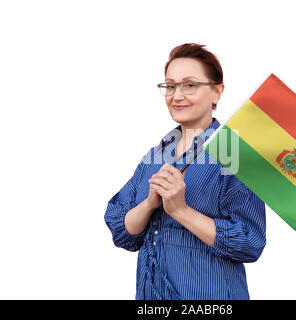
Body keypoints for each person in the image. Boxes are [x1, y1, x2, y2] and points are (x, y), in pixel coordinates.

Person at [104, 43, 266, 300]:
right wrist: (148, 204)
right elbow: (122, 231)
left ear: (217, 92)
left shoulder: (235, 155)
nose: (176, 96)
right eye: (170, 86)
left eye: (189, 85)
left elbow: (250, 243)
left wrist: (180, 210)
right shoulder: (154, 156)